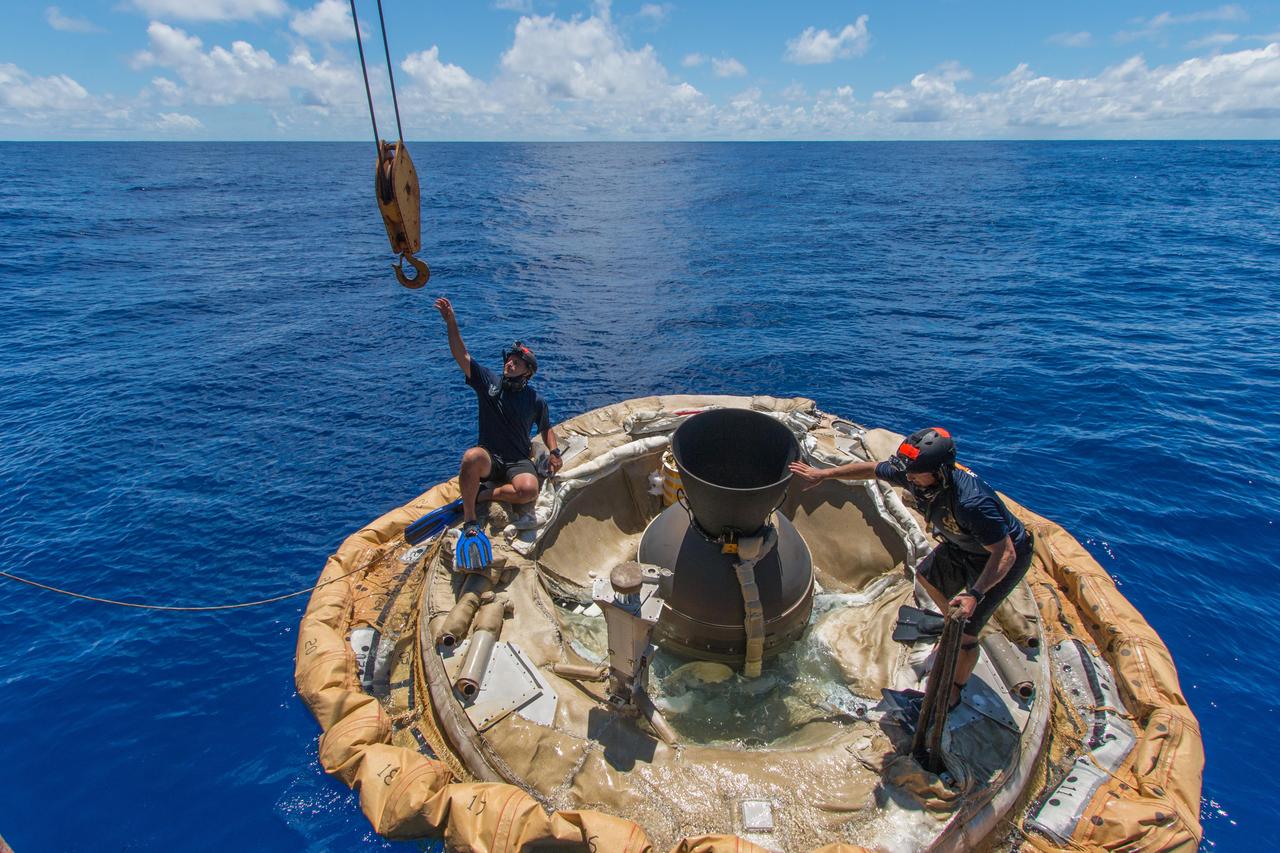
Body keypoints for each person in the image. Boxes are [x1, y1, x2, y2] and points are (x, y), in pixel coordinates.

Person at [788, 427, 1033, 709]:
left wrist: (975, 594)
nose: (910, 478)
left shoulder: (972, 503)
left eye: (916, 473)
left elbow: (1005, 553)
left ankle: (950, 693)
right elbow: (873, 469)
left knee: (966, 635)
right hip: (962, 544)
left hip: (999, 556)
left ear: (940, 471)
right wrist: (824, 474)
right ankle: (949, 622)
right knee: (928, 579)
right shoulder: (914, 474)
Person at [434, 297, 562, 554]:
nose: (509, 363)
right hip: (490, 458)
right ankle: (470, 519)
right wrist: (451, 322)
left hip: (517, 459)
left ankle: (482, 495)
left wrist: (555, 452)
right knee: (471, 457)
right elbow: (463, 355)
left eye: (516, 362)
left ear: (527, 372)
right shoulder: (489, 383)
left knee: (528, 490)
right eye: (509, 359)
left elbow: (546, 428)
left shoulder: (535, 399)